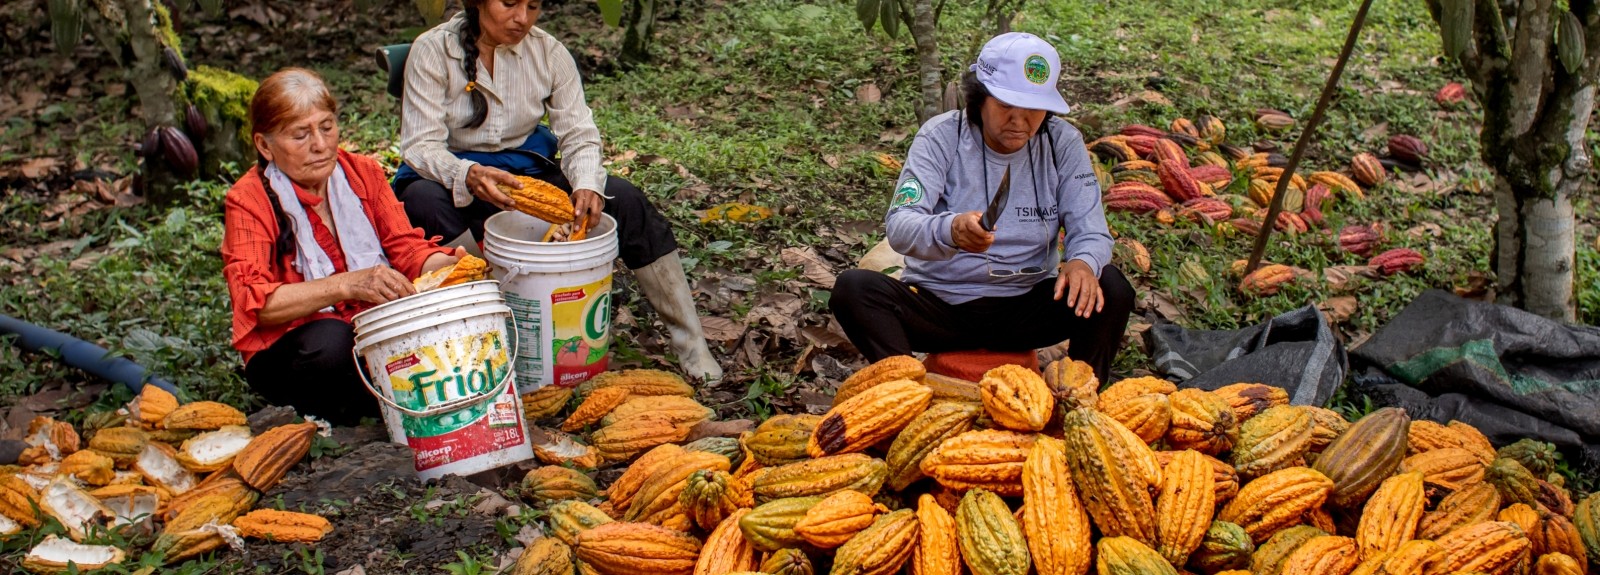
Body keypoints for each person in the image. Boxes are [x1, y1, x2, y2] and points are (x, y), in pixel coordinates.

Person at [394, 0, 721, 381]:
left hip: (527, 176)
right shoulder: (433, 50)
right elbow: (420, 146)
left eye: (533, 6)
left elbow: (579, 134)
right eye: (510, 3)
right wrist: (467, 174)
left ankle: (692, 345)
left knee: (625, 199)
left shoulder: (548, 51)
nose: (522, 18)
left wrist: (586, 185)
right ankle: (498, 321)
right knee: (420, 201)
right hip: (455, 184)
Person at [830, 32, 1135, 381]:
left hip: (1026, 307)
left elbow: (1091, 227)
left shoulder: (1062, 143)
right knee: (854, 290)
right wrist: (951, 230)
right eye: (1006, 106)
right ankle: (904, 390)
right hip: (941, 308)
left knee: (1111, 287)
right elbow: (900, 226)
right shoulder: (940, 137)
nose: (1019, 122)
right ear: (979, 98)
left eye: (1034, 109)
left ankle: (1081, 398)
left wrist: (1082, 262)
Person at [222, 68, 465, 425]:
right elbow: (256, 304)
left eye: (327, 127)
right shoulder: (249, 200)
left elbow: (406, 249)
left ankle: (385, 396)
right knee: (332, 341)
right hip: (295, 349)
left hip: (369, 331)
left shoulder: (362, 172)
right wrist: (347, 283)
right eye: (300, 135)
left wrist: (449, 266)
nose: (320, 145)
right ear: (264, 145)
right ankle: (377, 402)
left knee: (448, 305)